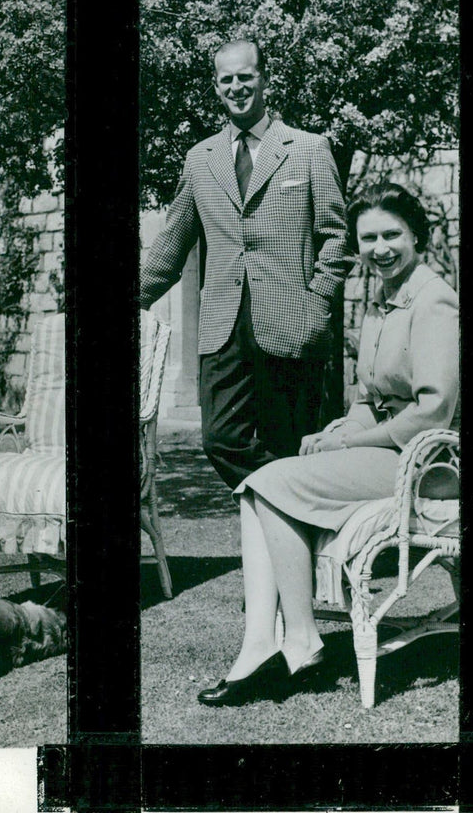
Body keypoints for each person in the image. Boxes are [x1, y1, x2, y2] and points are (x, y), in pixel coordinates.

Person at [196, 181, 459, 706]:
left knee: (266, 482)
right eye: (368, 238)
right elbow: (370, 394)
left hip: (429, 463)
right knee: (258, 486)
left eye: (392, 235)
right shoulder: (383, 297)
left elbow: (433, 409)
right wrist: (338, 430)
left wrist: (354, 440)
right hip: (388, 452)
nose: (379, 248)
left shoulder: (434, 300)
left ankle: (298, 639)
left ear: (418, 237)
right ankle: (267, 643)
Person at [140, 40, 349, 489]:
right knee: (220, 438)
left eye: (245, 76)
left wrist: (317, 303)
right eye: (226, 79)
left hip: (292, 321)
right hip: (223, 327)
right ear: (216, 86)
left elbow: (334, 237)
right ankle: (289, 500)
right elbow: (171, 245)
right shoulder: (201, 159)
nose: (237, 86)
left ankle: (287, 549)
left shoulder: (309, 149)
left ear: (264, 79)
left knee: (288, 441)